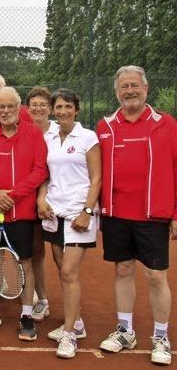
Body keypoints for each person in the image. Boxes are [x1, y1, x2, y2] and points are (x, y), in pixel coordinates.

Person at [96, 66, 177, 365]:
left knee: (156, 276)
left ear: (146, 88)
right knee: (123, 271)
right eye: (123, 87)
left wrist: (175, 213)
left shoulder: (167, 125)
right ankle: (125, 330)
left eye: (134, 85)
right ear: (116, 92)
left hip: (153, 214)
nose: (129, 91)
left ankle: (160, 336)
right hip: (116, 214)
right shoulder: (105, 126)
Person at [0, 86, 48, 341]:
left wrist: (12, 195)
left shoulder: (34, 134)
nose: (5, 111)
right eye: (0, 107)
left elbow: (40, 170)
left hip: (22, 212)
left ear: (19, 109)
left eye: (10, 106)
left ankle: (27, 315)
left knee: (23, 261)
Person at [36, 88, 101, 359]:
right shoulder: (48, 138)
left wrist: (87, 211)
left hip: (78, 215)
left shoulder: (88, 137)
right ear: (53, 110)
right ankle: (78, 322)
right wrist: (41, 199)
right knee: (63, 268)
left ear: (77, 109)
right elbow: (45, 175)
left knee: (69, 272)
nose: (63, 111)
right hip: (54, 214)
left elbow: (96, 178)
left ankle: (70, 333)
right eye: (58, 107)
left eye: (68, 107)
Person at [25, 86, 57, 322]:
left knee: (60, 256)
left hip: (57, 202)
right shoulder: (22, 131)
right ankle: (41, 298)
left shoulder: (59, 132)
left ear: (50, 109)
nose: (38, 108)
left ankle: (74, 316)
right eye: (34, 104)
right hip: (29, 201)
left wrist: (43, 197)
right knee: (35, 252)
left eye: (43, 104)